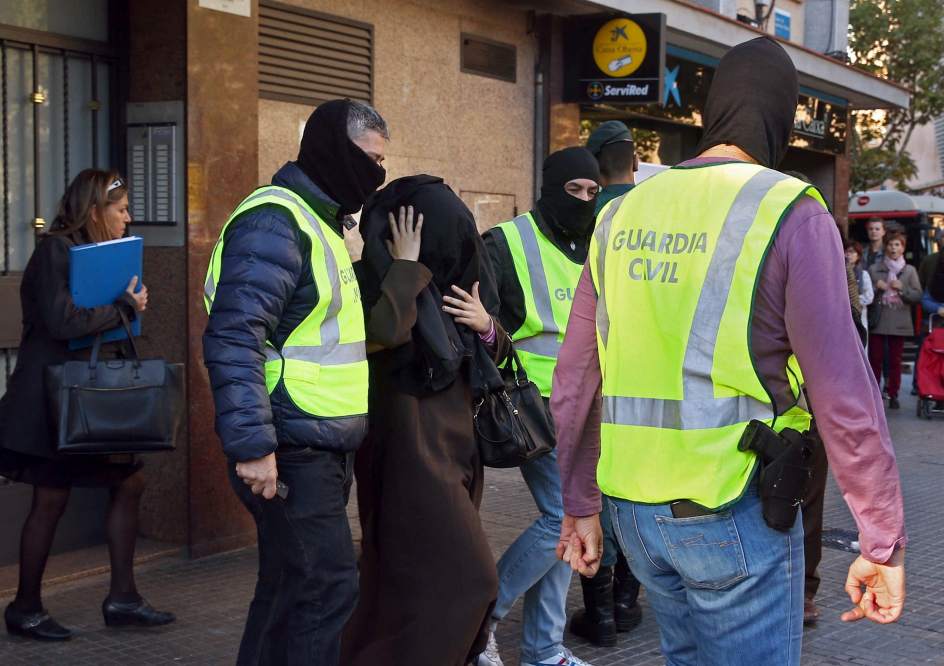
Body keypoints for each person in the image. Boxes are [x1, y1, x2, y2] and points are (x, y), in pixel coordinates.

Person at [553, 37, 907, 666]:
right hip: (735, 508)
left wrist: (578, 505)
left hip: (635, 516)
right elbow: (844, 393)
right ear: (779, 114)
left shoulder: (618, 216)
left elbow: (576, 380)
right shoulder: (790, 210)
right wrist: (882, 541)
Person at [202, 99, 387, 666]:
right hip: (287, 448)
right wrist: (254, 447)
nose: (377, 175)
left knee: (287, 587)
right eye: (370, 160)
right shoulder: (276, 222)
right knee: (326, 589)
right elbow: (234, 338)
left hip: (313, 447)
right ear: (334, 149)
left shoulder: (318, 221)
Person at [0, 169, 173, 640]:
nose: (128, 219)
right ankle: (26, 607)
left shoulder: (97, 254)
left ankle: (123, 598)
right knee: (51, 498)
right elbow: (62, 321)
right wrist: (124, 307)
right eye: (120, 211)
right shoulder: (55, 250)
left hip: (85, 396)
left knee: (129, 480)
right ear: (94, 211)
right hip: (52, 400)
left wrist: (127, 309)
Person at [341, 177, 507, 665]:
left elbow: (496, 359)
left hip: (457, 451)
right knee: (471, 579)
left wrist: (487, 326)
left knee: (414, 584)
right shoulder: (370, 280)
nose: (461, 243)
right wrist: (406, 267)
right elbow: (388, 331)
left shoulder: (454, 286)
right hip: (408, 454)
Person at [475, 147, 599, 666]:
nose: (585, 200)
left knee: (574, 520)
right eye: (575, 191)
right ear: (550, 188)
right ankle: (480, 620)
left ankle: (544, 649)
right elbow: (484, 322)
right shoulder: (506, 242)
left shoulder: (597, 243)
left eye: (593, 192)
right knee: (562, 516)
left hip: (588, 407)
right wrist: (486, 331)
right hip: (535, 406)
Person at [563, 121, 643, 649]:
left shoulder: (588, 215)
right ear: (634, 161)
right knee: (634, 493)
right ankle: (626, 602)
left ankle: (602, 615)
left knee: (596, 496)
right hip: (648, 383)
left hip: (597, 379)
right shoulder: (656, 212)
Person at [868, 231, 922, 409]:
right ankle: (874, 393)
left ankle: (893, 393)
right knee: (874, 359)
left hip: (899, 321)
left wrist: (902, 289)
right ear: (886, 247)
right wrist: (877, 288)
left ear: (903, 248)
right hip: (879, 320)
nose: (893, 248)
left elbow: (917, 295)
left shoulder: (910, 270)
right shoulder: (875, 269)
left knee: (895, 360)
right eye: (891, 244)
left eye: (897, 245)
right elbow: (866, 292)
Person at [845, 239, 874, 333]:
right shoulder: (837, 274)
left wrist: (853, 301)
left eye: (852, 252)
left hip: (859, 314)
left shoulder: (863, 274)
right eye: (846, 251)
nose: (848, 254)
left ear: (858, 255)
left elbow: (869, 296)